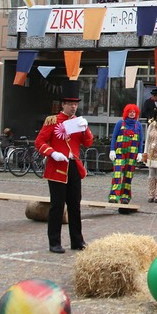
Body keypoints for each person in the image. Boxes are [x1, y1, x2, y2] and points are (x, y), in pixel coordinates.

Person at [35, 81, 93, 253]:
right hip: (57, 168)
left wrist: (86, 130)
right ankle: (54, 242)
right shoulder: (52, 121)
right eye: (70, 104)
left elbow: (87, 143)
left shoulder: (78, 122)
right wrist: (52, 153)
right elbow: (39, 142)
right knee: (57, 206)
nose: (73, 107)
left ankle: (77, 240)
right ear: (63, 105)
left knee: (75, 205)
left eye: (75, 104)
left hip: (73, 165)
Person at [109, 104, 145, 207]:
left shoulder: (138, 125)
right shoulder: (120, 123)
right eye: (130, 112)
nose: (132, 113)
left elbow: (140, 140)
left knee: (128, 176)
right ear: (126, 112)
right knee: (117, 173)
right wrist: (112, 150)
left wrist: (140, 152)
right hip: (120, 153)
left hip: (132, 154)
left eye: (134, 112)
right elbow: (114, 137)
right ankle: (114, 196)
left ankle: (125, 196)